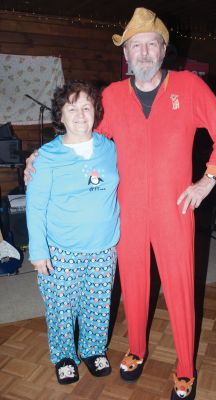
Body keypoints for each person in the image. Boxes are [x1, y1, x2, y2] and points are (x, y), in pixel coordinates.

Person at [24, 8, 216, 399]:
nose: (143, 53)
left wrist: (207, 181)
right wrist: (39, 157)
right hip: (126, 212)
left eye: (150, 44)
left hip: (175, 209)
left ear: (163, 50)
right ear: (126, 56)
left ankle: (186, 368)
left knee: (179, 288)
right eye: (135, 46)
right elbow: (81, 139)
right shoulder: (111, 96)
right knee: (134, 287)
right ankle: (136, 350)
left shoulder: (189, 87)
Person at [26, 81, 120, 385]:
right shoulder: (46, 157)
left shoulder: (110, 148)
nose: (80, 114)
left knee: (97, 303)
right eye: (72, 108)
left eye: (86, 107)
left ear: (96, 112)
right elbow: (35, 207)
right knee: (60, 306)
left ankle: (93, 350)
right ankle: (64, 356)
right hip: (61, 250)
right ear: (60, 116)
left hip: (104, 247)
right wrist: (38, 251)